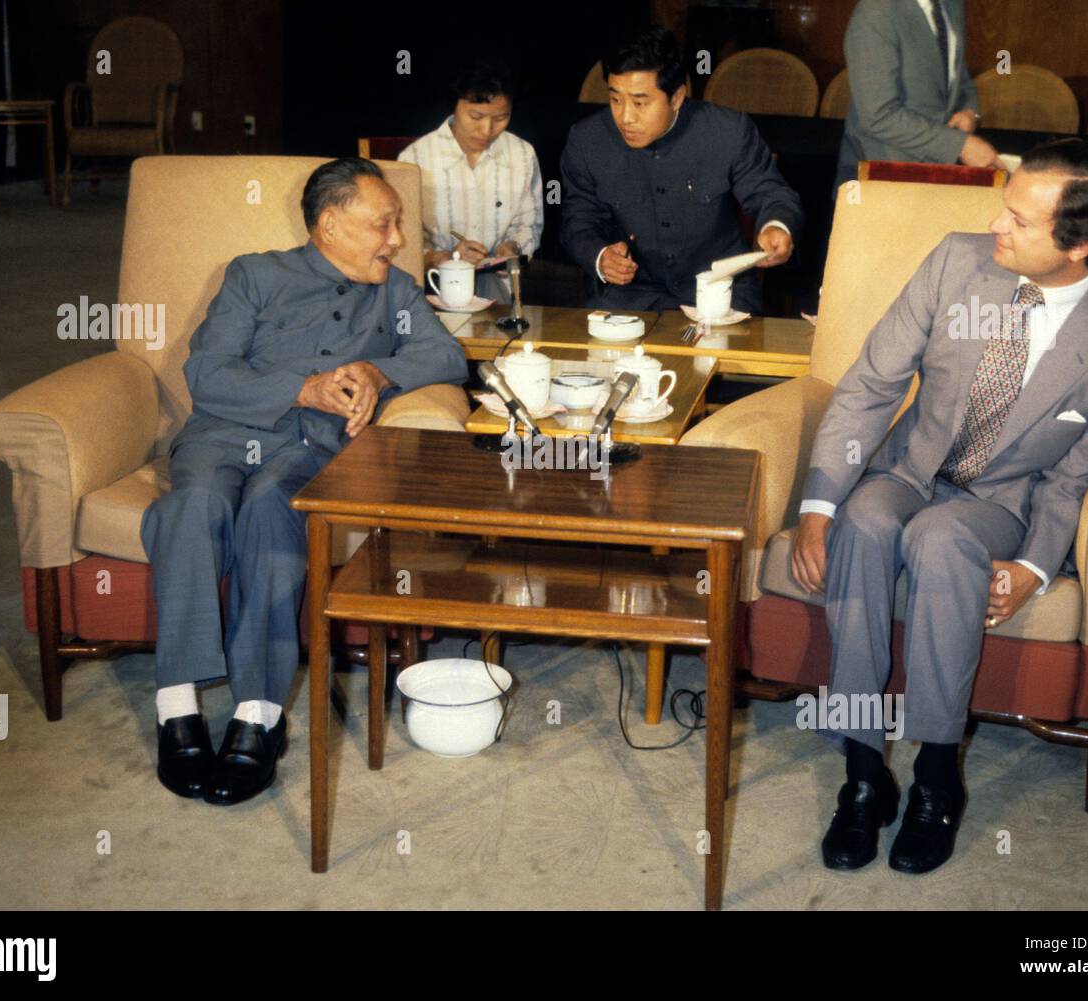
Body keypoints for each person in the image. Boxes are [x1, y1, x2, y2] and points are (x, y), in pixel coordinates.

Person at [787, 139, 1088, 873]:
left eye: (1021, 221)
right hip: (912, 466)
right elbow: (870, 385)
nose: (997, 224)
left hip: (1002, 499)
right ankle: (864, 774)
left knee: (939, 538)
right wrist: (819, 504)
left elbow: (1076, 476)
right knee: (865, 521)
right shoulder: (956, 262)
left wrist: (1033, 563)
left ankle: (936, 776)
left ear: (1080, 245)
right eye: (1004, 205)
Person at [141, 158, 468, 806]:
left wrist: (376, 373)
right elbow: (206, 373)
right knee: (193, 505)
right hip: (224, 431)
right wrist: (302, 388)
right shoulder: (255, 274)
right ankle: (175, 704)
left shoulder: (394, 292)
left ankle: (257, 714)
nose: (397, 239)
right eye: (383, 224)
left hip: (308, 448)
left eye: (396, 224)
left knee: (271, 508)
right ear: (329, 224)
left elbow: (447, 354)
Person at [560, 25, 804, 314]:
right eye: (615, 99)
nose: (625, 117)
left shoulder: (727, 132)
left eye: (640, 102)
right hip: (627, 299)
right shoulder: (587, 140)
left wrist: (776, 225)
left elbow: (771, 193)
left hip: (718, 293)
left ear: (676, 98)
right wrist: (600, 257)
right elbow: (577, 220)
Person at [398, 55, 542, 304]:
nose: (486, 130)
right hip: (431, 289)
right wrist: (444, 257)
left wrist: (513, 248)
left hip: (499, 290)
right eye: (475, 117)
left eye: (500, 118)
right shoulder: (416, 159)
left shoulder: (522, 154)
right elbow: (399, 242)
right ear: (454, 106)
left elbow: (529, 225)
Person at [836, 0, 1001, 192]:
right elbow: (878, 116)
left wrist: (971, 111)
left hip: (937, 173)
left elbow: (959, 76)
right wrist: (960, 146)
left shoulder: (951, 4)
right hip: (883, 176)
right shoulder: (876, 11)